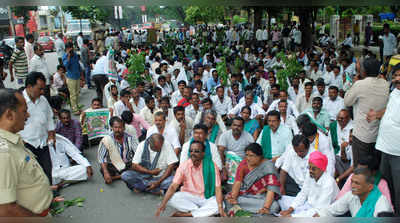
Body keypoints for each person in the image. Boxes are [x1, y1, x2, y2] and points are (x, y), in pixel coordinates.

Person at [0, 88, 53, 217]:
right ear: (9, 115)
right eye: (24, 111)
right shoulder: (4, 153)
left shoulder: (13, 141)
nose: (28, 115)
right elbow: (5, 211)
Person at [155, 140, 226, 217]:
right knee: (173, 198)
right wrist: (163, 204)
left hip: (206, 197)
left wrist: (220, 207)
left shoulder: (211, 166)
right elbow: (173, 186)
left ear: (203, 154)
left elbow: (218, 188)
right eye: (191, 151)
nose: (193, 153)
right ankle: (201, 212)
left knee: (220, 205)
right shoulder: (184, 166)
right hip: (189, 196)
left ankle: (188, 214)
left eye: (196, 151)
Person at [344, 57, 389, 167]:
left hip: (361, 136)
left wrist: (353, 84)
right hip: (378, 136)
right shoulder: (385, 84)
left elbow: (347, 101)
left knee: (360, 168)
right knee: (373, 168)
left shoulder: (360, 84)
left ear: (364, 71)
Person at [225, 143, 281, 215]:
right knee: (229, 200)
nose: (248, 158)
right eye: (246, 155)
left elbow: (271, 190)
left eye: (251, 156)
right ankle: (250, 210)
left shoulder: (268, 167)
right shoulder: (244, 163)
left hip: (261, 196)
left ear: (259, 156)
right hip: (244, 194)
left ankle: (240, 209)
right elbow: (238, 182)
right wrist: (234, 198)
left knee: (274, 207)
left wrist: (266, 207)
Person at [19, 72, 55, 184]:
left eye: (43, 89)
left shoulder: (43, 100)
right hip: (26, 144)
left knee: (47, 169)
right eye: (39, 89)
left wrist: (51, 134)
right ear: (29, 87)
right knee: (32, 174)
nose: (42, 92)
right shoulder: (19, 101)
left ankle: (50, 193)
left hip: (43, 142)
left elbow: (49, 117)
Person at [279, 151, 339, 217]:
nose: (310, 171)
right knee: (282, 199)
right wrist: (290, 209)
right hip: (309, 205)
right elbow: (303, 193)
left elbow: (319, 210)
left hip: (321, 212)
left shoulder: (328, 183)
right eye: (309, 167)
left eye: (313, 169)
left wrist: (293, 216)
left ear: (322, 169)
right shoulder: (310, 174)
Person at [374, 66, 400, 214]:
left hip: (398, 152)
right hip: (385, 148)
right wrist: (377, 114)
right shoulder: (395, 92)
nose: (397, 79)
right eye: (395, 75)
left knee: (398, 189)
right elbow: (390, 109)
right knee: (386, 184)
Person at [315, 167, 393, 217]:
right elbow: (330, 210)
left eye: (357, 183)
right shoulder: (352, 195)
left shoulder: (382, 205)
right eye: (352, 182)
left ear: (370, 187)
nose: (352, 186)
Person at [98, 116, 138, 184]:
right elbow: (102, 158)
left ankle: (116, 177)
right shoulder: (106, 139)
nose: (117, 130)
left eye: (120, 127)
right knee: (104, 169)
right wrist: (105, 172)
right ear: (112, 128)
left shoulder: (130, 138)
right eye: (115, 127)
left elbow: (137, 152)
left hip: (127, 164)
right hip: (114, 165)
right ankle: (125, 175)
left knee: (138, 165)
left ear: (124, 128)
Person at [218, 117, 254, 182]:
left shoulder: (248, 136)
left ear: (243, 127)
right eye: (234, 125)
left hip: (243, 162)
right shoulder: (225, 135)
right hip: (227, 163)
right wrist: (223, 168)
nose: (236, 128)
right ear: (231, 126)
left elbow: (252, 153)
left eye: (239, 126)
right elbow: (220, 152)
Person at [63, 42, 84, 115]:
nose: (71, 50)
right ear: (67, 49)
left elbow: (78, 65)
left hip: (77, 76)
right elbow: (65, 66)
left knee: (77, 93)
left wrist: (81, 76)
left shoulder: (75, 55)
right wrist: (68, 57)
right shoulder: (65, 56)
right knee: (73, 94)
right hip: (71, 77)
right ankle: (75, 109)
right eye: (69, 48)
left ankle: (76, 106)